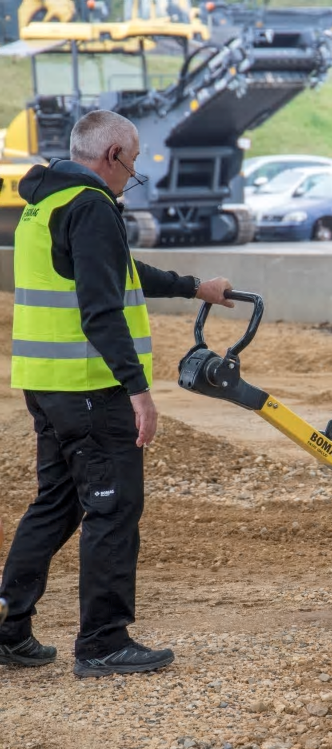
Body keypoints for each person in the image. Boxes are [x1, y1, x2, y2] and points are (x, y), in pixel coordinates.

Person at [0, 110, 235, 677]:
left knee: (56, 505)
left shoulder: (46, 202)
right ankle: (103, 641)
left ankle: (7, 626)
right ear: (112, 157)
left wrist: (190, 287)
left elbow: (115, 271)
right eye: (132, 164)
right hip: (91, 388)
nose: (131, 176)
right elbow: (101, 309)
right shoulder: (92, 207)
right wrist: (139, 392)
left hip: (46, 384)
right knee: (113, 505)